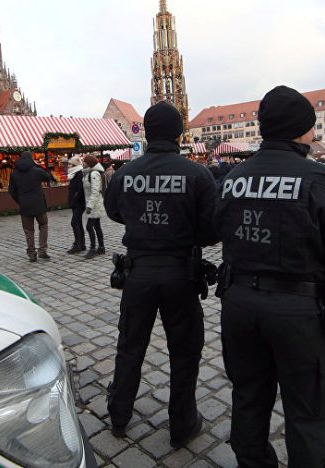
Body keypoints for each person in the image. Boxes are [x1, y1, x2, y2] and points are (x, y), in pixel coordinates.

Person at [214, 86, 325, 467]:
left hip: (239, 306)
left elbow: (216, 229)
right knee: (310, 413)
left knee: (248, 399)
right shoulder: (321, 179)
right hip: (300, 313)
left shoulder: (233, 178)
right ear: (302, 129)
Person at [104, 101, 219, 448]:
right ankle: (182, 425)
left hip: (138, 272)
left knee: (130, 346)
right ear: (179, 134)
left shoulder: (125, 173)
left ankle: (119, 415)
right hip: (180, 274)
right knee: (184, 351)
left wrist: (143, 223)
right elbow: (211, 230)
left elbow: (114, 211)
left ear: (148, 133)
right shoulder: (197, 175)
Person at [9, 151, 54, 261]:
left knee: (28, 230)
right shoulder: (36, 171)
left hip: (24, 205)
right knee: (43, 225)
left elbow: (11, 191)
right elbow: (48, 177)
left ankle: (32, 253)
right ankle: (42, 250)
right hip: (39, 204)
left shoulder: (14, 174)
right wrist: (36, 165)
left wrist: (19, 200)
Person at [82, 154, 106, 259]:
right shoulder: (88, 173)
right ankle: (101, 247)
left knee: (89, 226)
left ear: (89, 163)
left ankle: (92, 249)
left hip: (94, 205)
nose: (83, 163)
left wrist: (90, 206)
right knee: (96, 226)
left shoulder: (94, 173)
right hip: (93, 203)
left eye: (85, 161)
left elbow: (95, 191)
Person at [66, 156, 86, 254]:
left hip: (79, 203)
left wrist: (74, 200)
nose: (68, 166)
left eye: (70, 164)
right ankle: (82, 244)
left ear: (75, 165)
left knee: (74, 223)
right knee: (78, 223)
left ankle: (77, 245)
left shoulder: (79, 174)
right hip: (75, 203)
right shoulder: (74, 174)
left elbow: (80, 190)